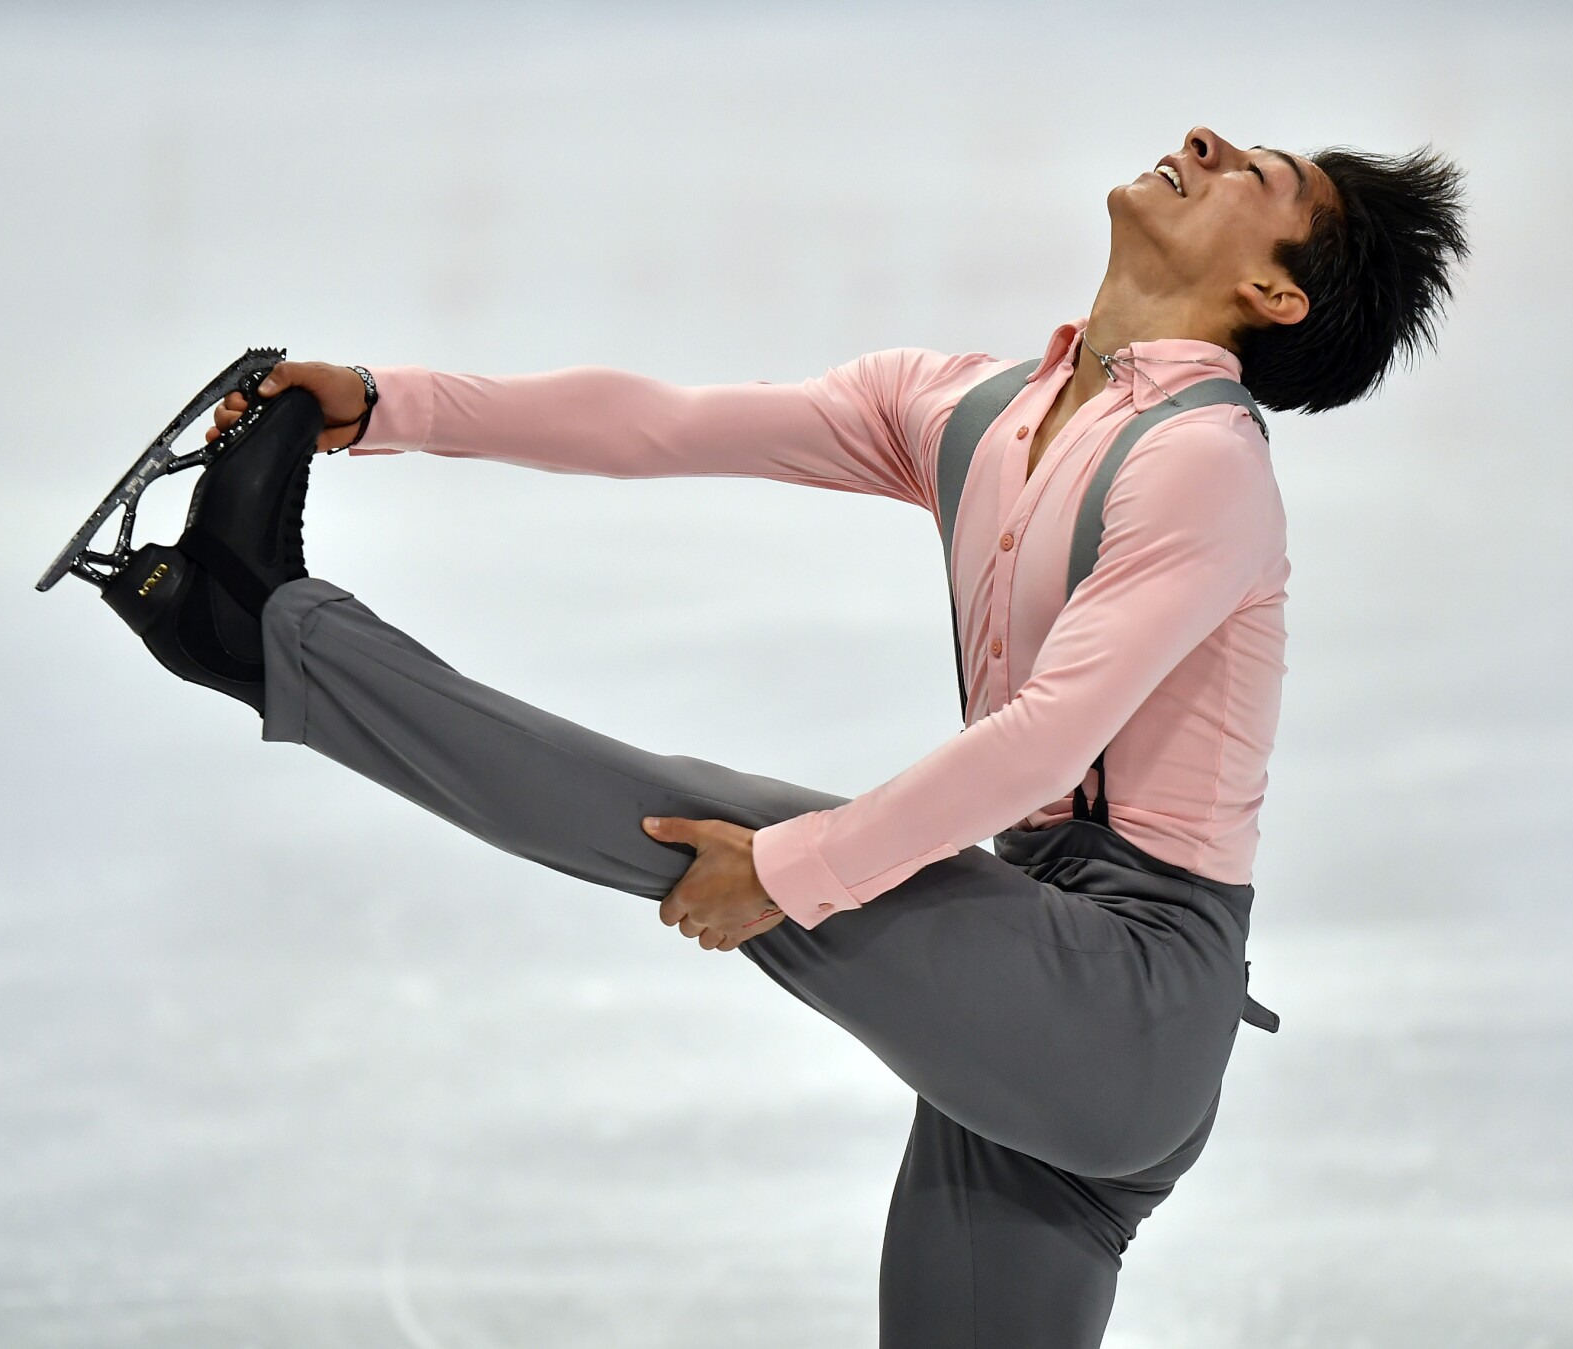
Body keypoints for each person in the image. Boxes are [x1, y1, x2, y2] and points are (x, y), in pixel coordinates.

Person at [87, 125, 1468, 1346]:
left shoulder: (1204, 463)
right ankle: (256, 628)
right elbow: (668, 425)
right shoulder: (978, 409)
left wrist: (797, 870)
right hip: (1031, 1002)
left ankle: (263, 632)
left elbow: (1047, 746)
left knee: (689, 818)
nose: (1210, 139)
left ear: (1272, 292)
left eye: (1260, 176)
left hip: (1123, 997)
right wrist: (390, 405)